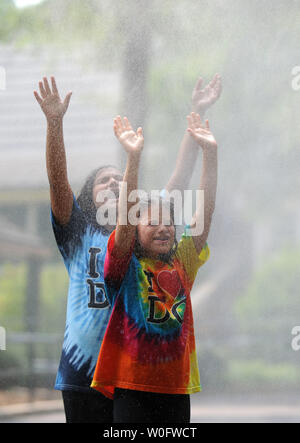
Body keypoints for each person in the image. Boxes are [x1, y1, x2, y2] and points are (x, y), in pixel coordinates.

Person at [33, 74, 221, 423]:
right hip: (82, 371)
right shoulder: (78, 231)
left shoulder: (147, 239)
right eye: (104, 179)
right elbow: (58, 182)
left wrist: (196, 115)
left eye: (119, 179)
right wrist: (55, 124)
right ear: (89, 196)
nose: (114, 182)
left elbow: (181, 181)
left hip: (131, 371)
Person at [91, 112, 218, 423]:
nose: (164, 228)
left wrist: (211, 155)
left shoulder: (183, 262)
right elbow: (125, 219)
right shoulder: (125, 264)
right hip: (131, 387)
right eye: (153, 222)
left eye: (168, 223)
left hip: (175, 388)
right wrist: (133, 158)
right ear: (136, 228)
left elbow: (206, 211)